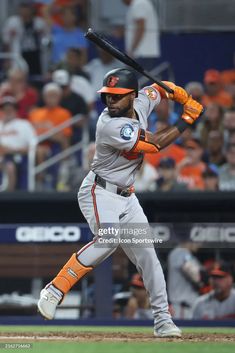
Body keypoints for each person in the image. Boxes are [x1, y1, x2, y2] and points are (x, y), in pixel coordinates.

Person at [37, 68, 203, 337]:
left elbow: (157, 89)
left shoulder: (142, 101)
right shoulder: (110, 124)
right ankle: (55, 289)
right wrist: (187, 118)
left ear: (132, 96)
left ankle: (163, 321)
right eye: (108, 97)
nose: (111, 102)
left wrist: (175, 91)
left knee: (148, 256)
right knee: (108, 239)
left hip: (127, 197)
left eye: (117, 96)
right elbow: (156, 144)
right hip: (99, 192)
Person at [0, 96, 36, 190]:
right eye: (5, 109)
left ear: (16, 110)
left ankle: (8, 197)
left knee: (10, 167)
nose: (8, 112)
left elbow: (32, 146)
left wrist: (10, 150)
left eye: (10, 109)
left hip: (15, 156)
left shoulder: (24, 124)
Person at [2, 1, 48, 76]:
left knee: (36, 76)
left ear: (32, 9)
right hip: (18, 53)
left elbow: (46, 40)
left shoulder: (39, 23)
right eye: (23, 8)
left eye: (27, 8)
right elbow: (6, 42)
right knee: (19, 75)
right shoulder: (12, 22)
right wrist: (7, 59)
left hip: (35, 54)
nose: (25, 11)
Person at [123, 0, 160, 71]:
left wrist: (131, 51)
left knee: (141, 81)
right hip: (141, 54)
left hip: (142, 54)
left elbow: (141, 28)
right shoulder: (137, 4)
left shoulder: (139, 3)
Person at [167, 242, 202, 319]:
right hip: (181, 307)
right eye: (198, 242)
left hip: (188, 306)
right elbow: (195, 275)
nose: (200, 245)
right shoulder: (180, 252)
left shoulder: (187, 254)